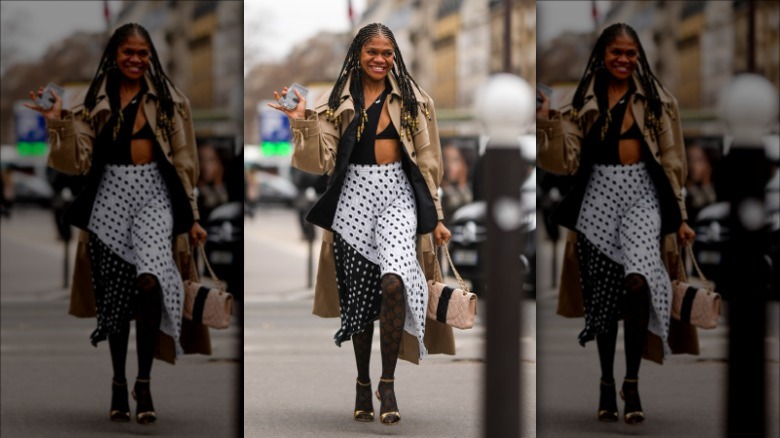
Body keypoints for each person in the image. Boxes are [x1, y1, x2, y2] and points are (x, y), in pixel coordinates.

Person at [269, 23, 453, 426]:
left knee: (394, 283)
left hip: (398, 198)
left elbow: (428, 163)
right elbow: (316, 163)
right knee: (359, 299)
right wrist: (301, 120)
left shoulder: (415, 100)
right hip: (351, 199)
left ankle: (387, 383)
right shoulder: (334, 101)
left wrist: (436, 216)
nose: (381, 59)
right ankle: (362, 384)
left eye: (388, 53)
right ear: (358, 53)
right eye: (373, 51)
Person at [26, 23, 208, 425]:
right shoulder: (90, 102)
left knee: (150, 283)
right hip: (108, 198)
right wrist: (57, 121)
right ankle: (117, 383)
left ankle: (143, 383)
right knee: (116, 301)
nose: (136, 60)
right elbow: (73, 163)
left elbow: (184, 162)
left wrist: (192, 216)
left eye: (143, 53)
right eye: (129, 52)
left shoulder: (170, 101)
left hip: (154, 198)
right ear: (114, 54)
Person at [536, 23, 698, 424]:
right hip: (598, 198)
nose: (624, 60)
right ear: (603, 55)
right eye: (616, 53)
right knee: (605, 300)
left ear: (638, 55)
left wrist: (681, 217)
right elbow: (562, 162)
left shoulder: (660, 102)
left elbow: (674, 165)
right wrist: (546, 122)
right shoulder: (582, 101)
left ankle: (632, 381)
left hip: (644, 195)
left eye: (630, 53)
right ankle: (607, 383)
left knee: (640, 279)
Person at [440, 143, 473, 225]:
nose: (449, 165)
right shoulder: (438, 191)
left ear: (462, 163)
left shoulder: (470, 188)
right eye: (445, 160)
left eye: (454, 160)